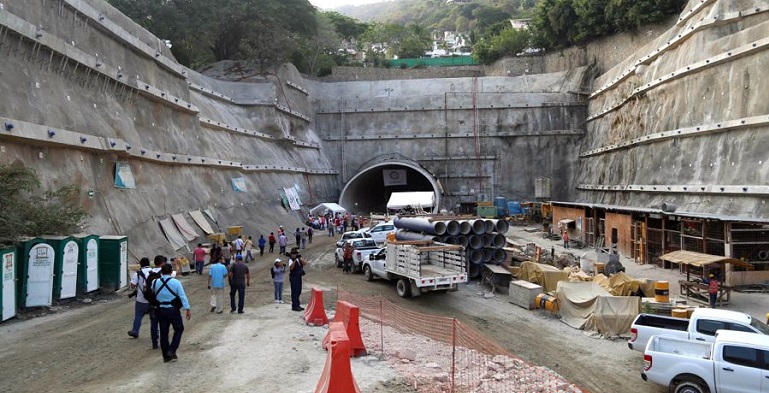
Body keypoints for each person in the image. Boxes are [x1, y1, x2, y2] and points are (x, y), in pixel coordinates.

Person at [152, 263, 191, 363]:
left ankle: (165, 356)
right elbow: (182, 296)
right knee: (179, 329)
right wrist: (187, 309)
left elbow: (152, 294)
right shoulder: (176, 282)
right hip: (173, 310)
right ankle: (172, 350)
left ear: (161, 272)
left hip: (160, 310)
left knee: (164, 332)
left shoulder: (155, 282)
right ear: (171, 272)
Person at [127, 257, 153, 340]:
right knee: (153, 317)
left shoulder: (137, 273)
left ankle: (135, 331)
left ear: (141, 264)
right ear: (148, 264)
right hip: (152, 300)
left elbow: (132, 285)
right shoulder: (153, 272)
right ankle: (155, 333)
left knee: (138, 316)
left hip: (141, 299)